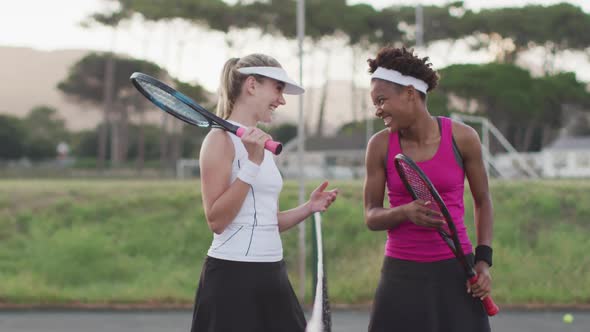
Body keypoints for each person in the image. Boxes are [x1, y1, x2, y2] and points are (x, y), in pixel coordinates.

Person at [190, 53, 339, 332]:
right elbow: (217, 221)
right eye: (278, 88)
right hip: (232, 279)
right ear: (252, 85)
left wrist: (309, 207)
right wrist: (252, 163)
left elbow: (265, 221)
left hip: (273, 274)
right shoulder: (218, 141)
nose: (282, 100)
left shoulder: (261, 145)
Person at [363, 46, 494, 332]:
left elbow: (483, 200)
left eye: (382, 100)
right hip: (401, 273)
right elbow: (371, 216)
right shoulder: (380, 145)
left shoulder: (463, 137)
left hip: (457, 269)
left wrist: (483, 261)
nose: (378, 109)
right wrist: (404, 212)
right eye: (376, 102)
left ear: (410, 93)